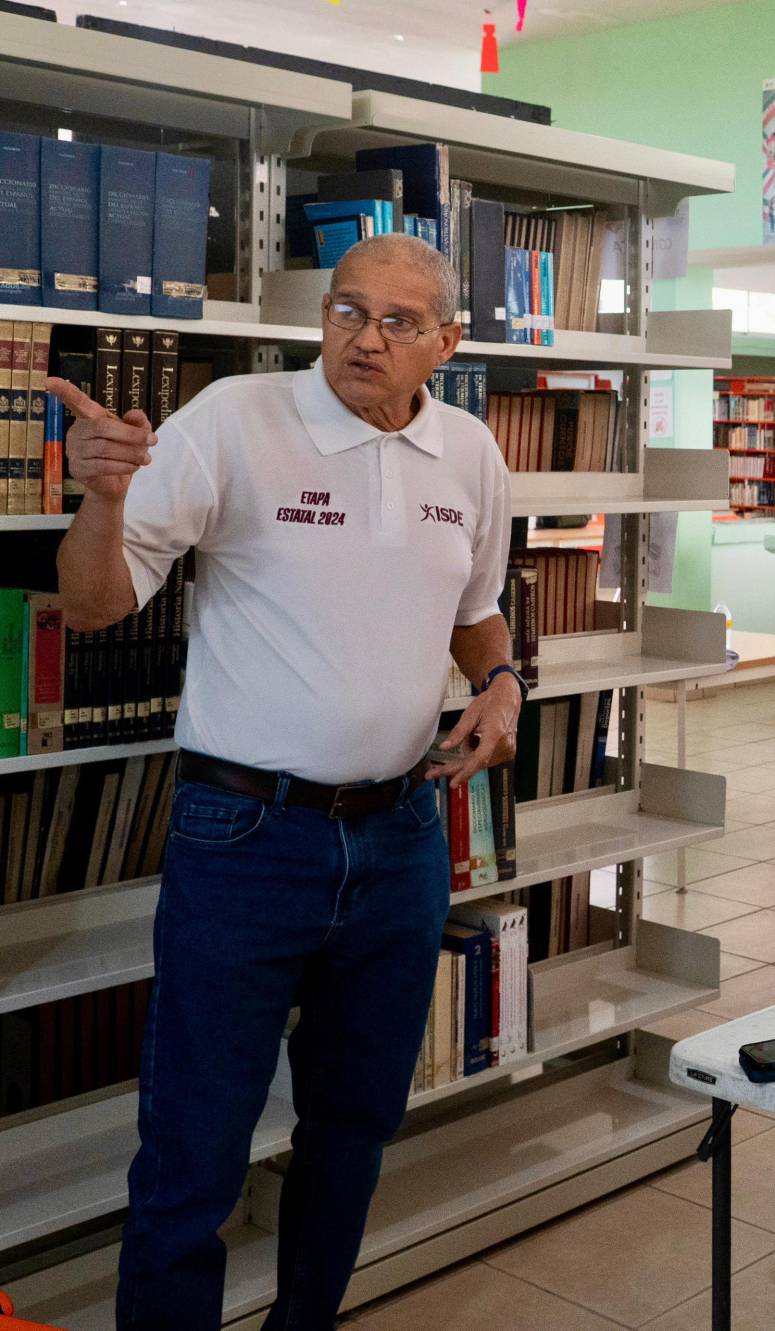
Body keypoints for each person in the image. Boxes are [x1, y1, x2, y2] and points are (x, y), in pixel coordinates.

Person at [50, 234, 519, 1328]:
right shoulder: (234, 419)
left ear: (448, 343)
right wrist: (105, 499)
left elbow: (476, 610)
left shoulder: (469, 451)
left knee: (353, 1130)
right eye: (347, 310)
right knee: (195, 1148)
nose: (365, 338)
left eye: (399, 321)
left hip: (401, 837)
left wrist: (502, 682)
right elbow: (94, 604)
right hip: (246, 838)